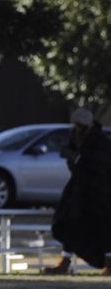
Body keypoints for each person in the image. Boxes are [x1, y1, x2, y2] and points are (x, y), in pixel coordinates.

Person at [46, 108, 111, 275]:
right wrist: (74, 159)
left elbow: (102, 164)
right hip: (78, 188)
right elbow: (74, 161)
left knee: (101, 225)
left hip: (98, 189)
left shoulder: (100, 141)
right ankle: (65, 261)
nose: (77, 129)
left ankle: (109, 263)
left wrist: (81, 159)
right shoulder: (76, 136)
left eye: (80, 126)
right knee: (68, 222)